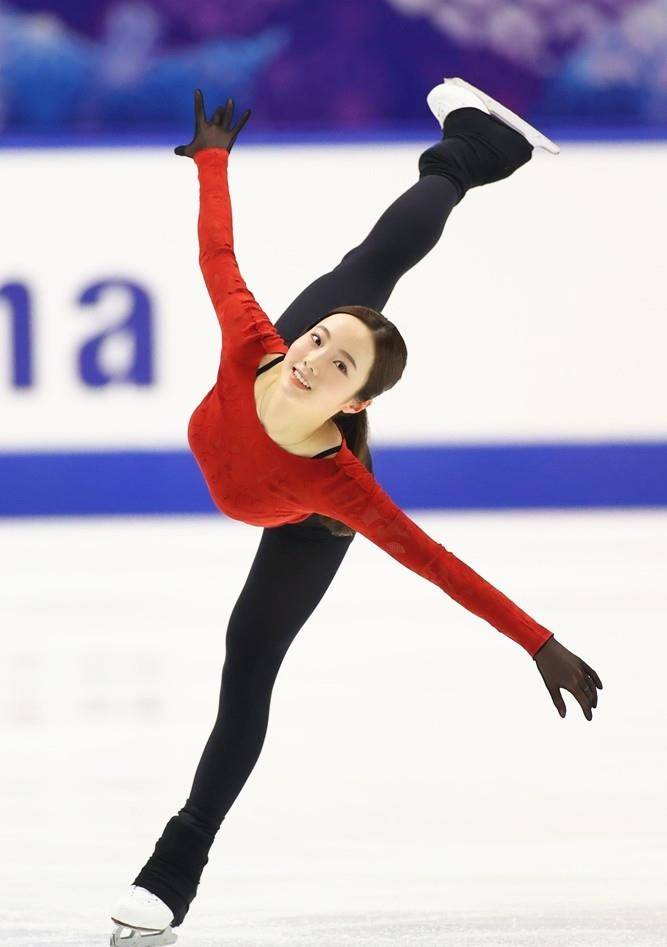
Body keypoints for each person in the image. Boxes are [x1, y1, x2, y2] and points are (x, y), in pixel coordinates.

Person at [110, 79, 603, 946]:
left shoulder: (339, 491)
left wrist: (539, 641)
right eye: (318, 342)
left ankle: (173, 867)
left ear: (351, 406)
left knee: (247, 661)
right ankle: (471, 153)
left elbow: (437, 561)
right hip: (267, 399)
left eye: (336, 368)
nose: (312, 361)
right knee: (365, 270)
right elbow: (217, 254)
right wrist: (213, 160)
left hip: (297, 521)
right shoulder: (262, 345)